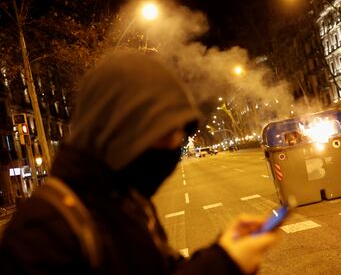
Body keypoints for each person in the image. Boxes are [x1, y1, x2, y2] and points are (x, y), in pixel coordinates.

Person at [0, 52, 279, 274]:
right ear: (119, 132)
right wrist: (223, 266)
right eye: (163, 138)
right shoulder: (40, 233)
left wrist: (222, 249)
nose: (172, 151)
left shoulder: (128, 200)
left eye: (178, 140)